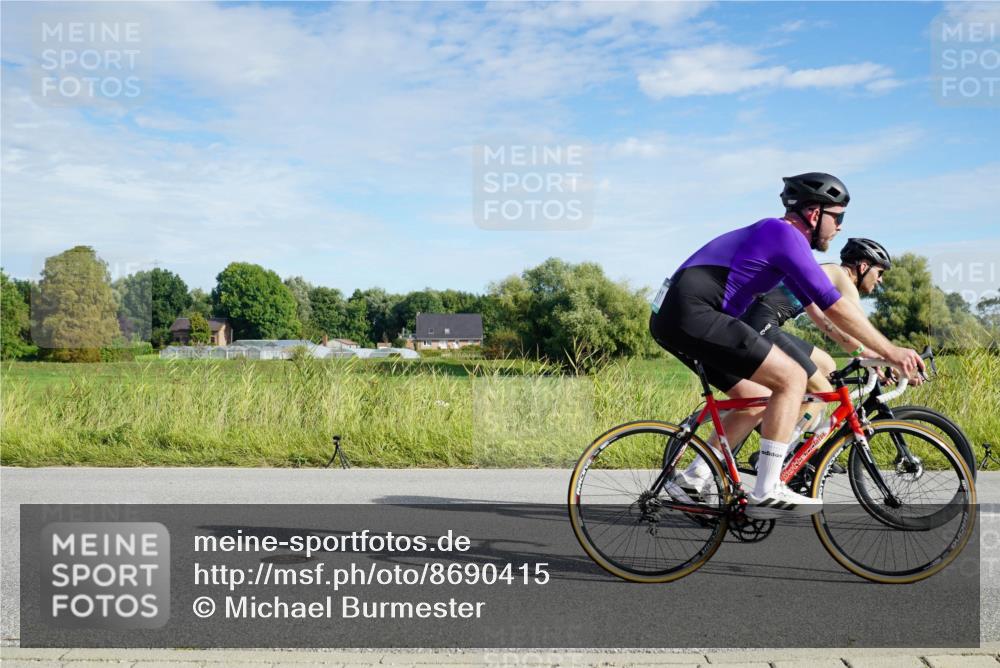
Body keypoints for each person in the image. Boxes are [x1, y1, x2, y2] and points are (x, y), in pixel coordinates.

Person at [649, 173, 924, 519]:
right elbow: (835, 305)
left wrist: (868, 354)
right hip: (693, 312)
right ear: (814, 213)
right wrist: (891, 352)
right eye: (837, 217)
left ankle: (691, 480)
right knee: (792, 378)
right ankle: (768, 486)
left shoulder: (787, 246)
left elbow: (824, 315)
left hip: (680, 315)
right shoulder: (784, 235)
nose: (839, 227)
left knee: (758, 400)